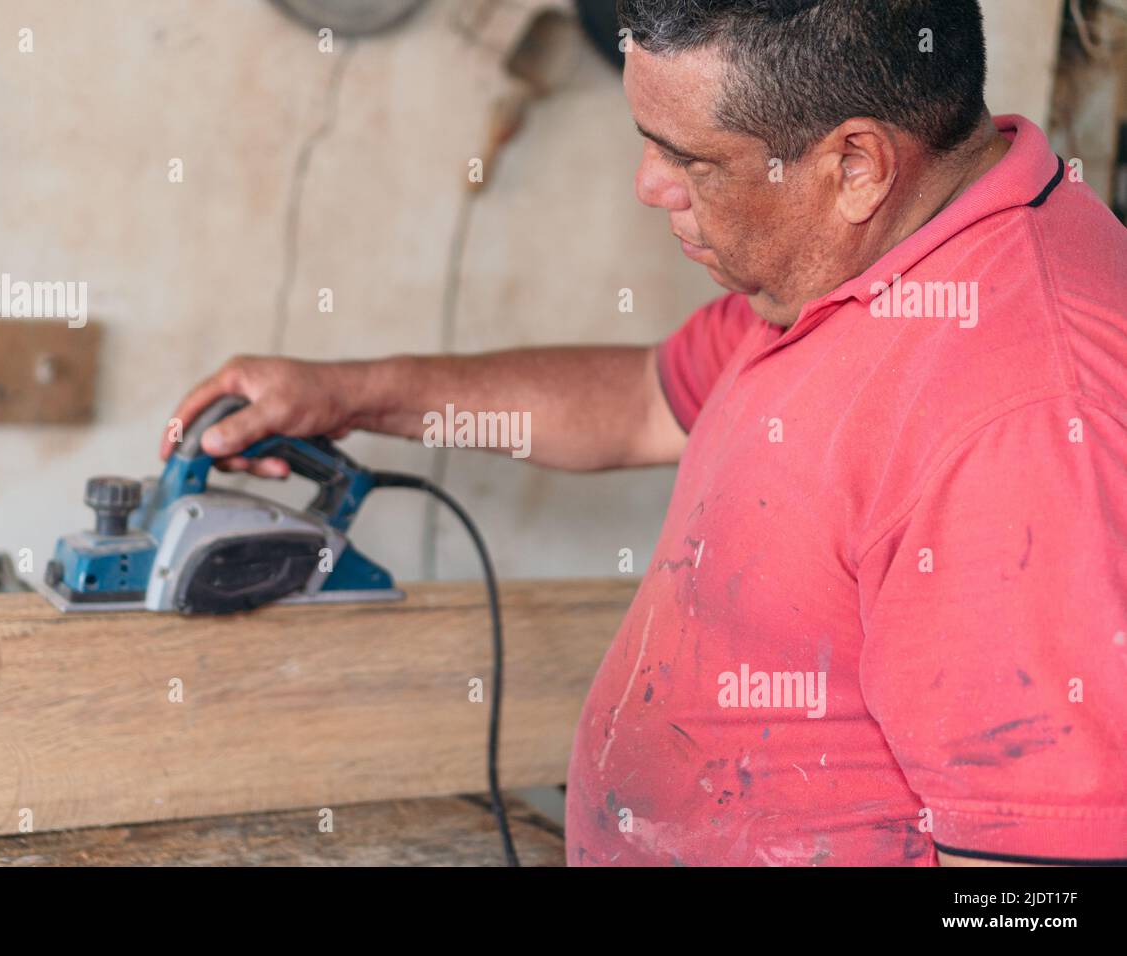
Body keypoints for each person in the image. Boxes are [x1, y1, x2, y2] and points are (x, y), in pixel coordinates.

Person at [162, 0, 1127, 865]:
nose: (648, 184)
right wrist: (343, 396)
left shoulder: (1026, 420)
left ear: (855, 165)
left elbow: (1038, 884)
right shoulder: (868, 253)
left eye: (689, 157)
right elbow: (639, 401)